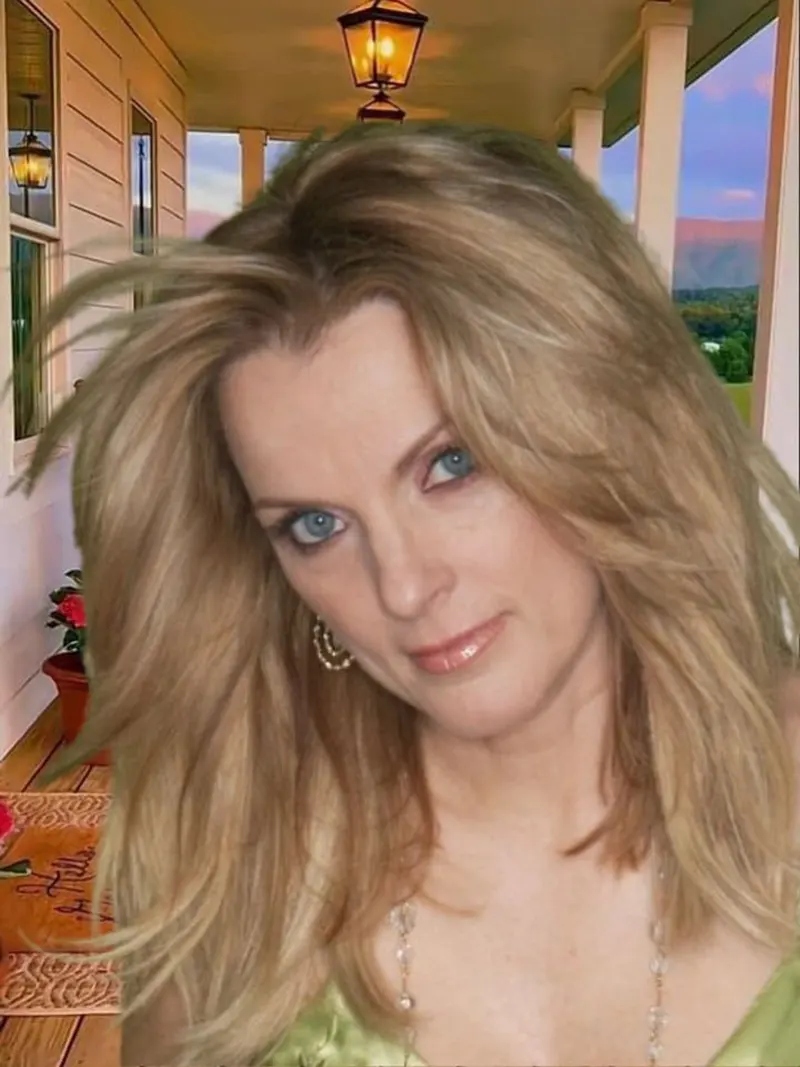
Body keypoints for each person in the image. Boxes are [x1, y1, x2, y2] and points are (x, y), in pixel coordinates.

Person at [22, 123, 800, 1067]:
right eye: (316, 524)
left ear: (613, 425)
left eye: (451, 465)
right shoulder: (237, 865)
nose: (402, 585)